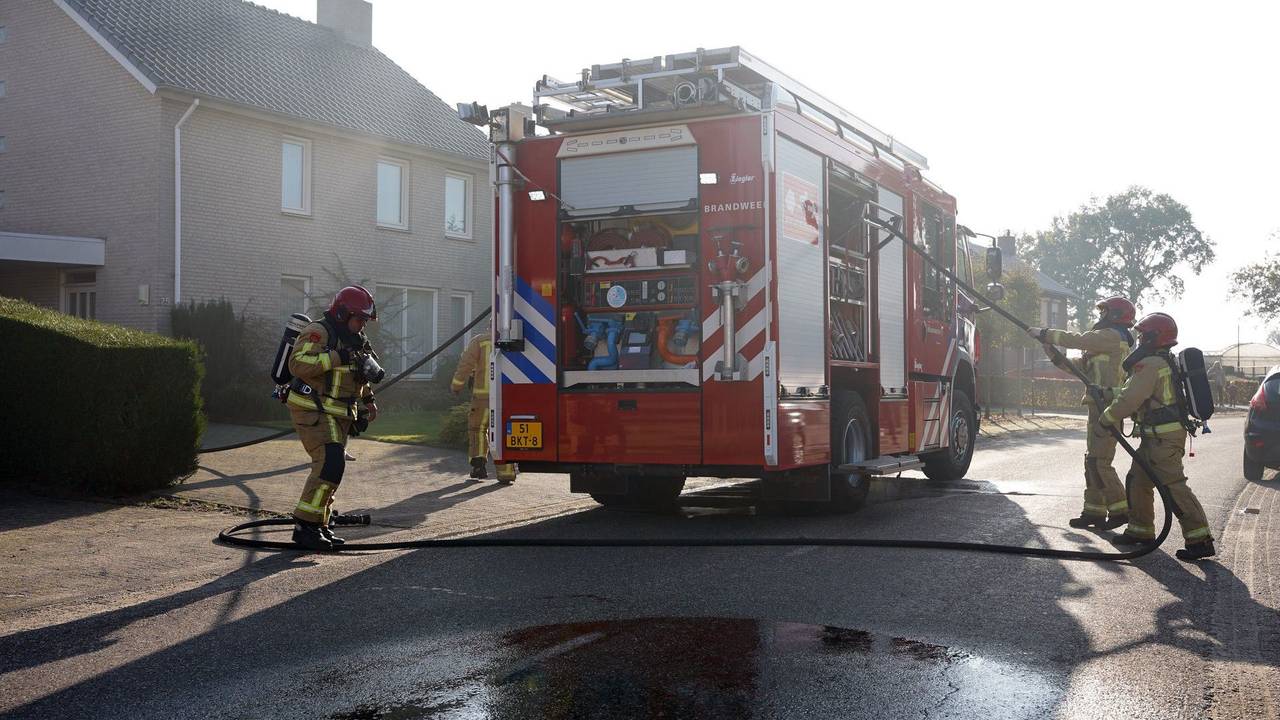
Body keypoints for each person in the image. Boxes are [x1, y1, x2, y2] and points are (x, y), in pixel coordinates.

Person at [1100, 312, 1216, 561]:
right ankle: (1140, 530)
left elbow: (1131, 398)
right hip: (1156, 438)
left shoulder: (1150, 364)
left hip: (1163, 440)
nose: (1139, 339)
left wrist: (1107, 417)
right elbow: (1134, 390)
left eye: (1142, 335)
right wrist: (1107, 392)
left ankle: (1200, 539)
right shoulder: (1161, 361)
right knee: (1138, 481)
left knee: (1173, 486)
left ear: (1154, 336)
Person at [1028, 296, 1136, 530]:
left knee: (1100, 461)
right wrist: (1052, 352)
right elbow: (1076, 366)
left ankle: (1120, 510)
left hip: (1108, 407)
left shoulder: (1112, 337)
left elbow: (1078, 339)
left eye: (1104, 313)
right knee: (1092, 461)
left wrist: (1045, 333)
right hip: (1097, 407)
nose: (1100, 317)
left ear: (1115, 315)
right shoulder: (1103, 345)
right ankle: (1094, 512)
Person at [285, 286, 380, 551]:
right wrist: (336, 356)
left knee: (334, 468)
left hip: (337, 413)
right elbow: (298, 363)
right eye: (359, 318)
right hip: (311, 409)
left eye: (364, 320)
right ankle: (304, 527)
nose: (362, 325)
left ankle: (321, 526)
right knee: (329, 462)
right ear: (341, 313)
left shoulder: (356, 339)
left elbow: (359, 373)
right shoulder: (320, 332)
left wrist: (368, 401)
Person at [451, 333, 516, 483]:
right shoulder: (514, 338)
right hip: (507, 397)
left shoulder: (479, 341)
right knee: (504, 432)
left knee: (477, 429)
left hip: (482, 397)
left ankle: (478, 465)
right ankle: (506, 473)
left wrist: (457, 385)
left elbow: (466, 364)